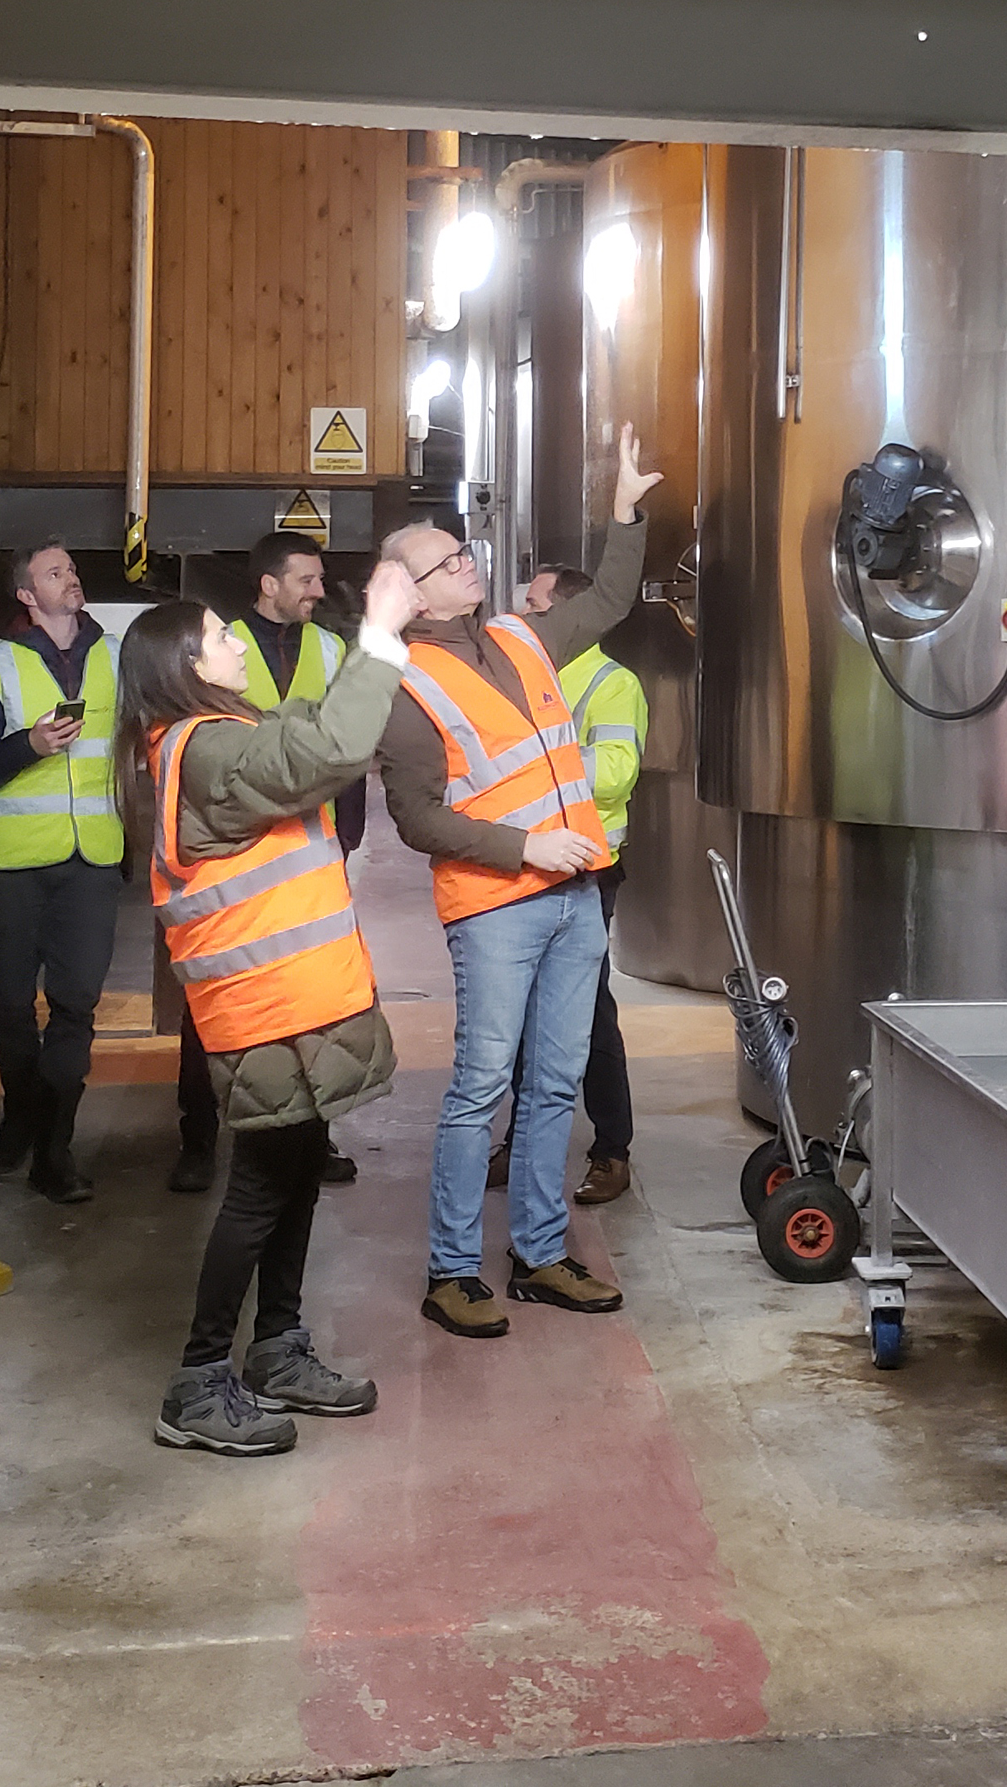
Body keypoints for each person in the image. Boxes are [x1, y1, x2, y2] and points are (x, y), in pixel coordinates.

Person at [113, 555, 420, 1458]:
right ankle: (197, 1381)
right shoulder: (203, 751)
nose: (237, 646)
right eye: (219, 639)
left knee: (293, 1175)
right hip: (265, 1012)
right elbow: (324, 750)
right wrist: (378, 636)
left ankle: (277, 1347)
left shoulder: (217, 736)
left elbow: (308, 728)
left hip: (296, 1006)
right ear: (185, 666)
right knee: (257, 1192)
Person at [379, 423, 659, 1339]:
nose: (465, 562)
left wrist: (623, 513)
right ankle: (452, 1271)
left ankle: (539, 1254)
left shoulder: (520, 637)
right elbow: (416, 817)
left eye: (462, 551)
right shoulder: (404, 684)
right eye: (444, 561)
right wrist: (525, 848)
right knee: (479, 1088)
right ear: (408, 593)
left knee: (553, 1086)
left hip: (576, 900)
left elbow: (609, 598)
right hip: (496, 907)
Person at [169, 529, 365, 1194]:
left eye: (320, 578)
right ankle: (199, 1139)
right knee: (217, 1001)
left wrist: (350, 824)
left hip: (307, 847)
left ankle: (313, 1134)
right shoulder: (220, 649)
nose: (318, 590)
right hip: (233, 854)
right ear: (268, 584)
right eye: (307, 579)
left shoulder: (330, 648)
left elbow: (344, 739)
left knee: (310, 998)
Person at [0, 541, 124, 1203]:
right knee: (13, 1007)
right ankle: (21, 1118)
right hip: (12, 865)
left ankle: (55, 1149)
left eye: (71, 569)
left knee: (77, 1004)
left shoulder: (114, 656)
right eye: (55, 572)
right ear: (27, 594)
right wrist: (28, 745)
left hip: (93, 860)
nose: (71, 578)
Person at [488, 564, 649, 1205]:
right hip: (526, 862)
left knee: (590, 1013)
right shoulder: (526, 677)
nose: (525, 613)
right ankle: (522, 1140)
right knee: (522, 1010)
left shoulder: (612, 684)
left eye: (535, 603)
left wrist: (534, 765)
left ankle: (612, 1150)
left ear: (569, 611)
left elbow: (615, 774)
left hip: (587, 867)